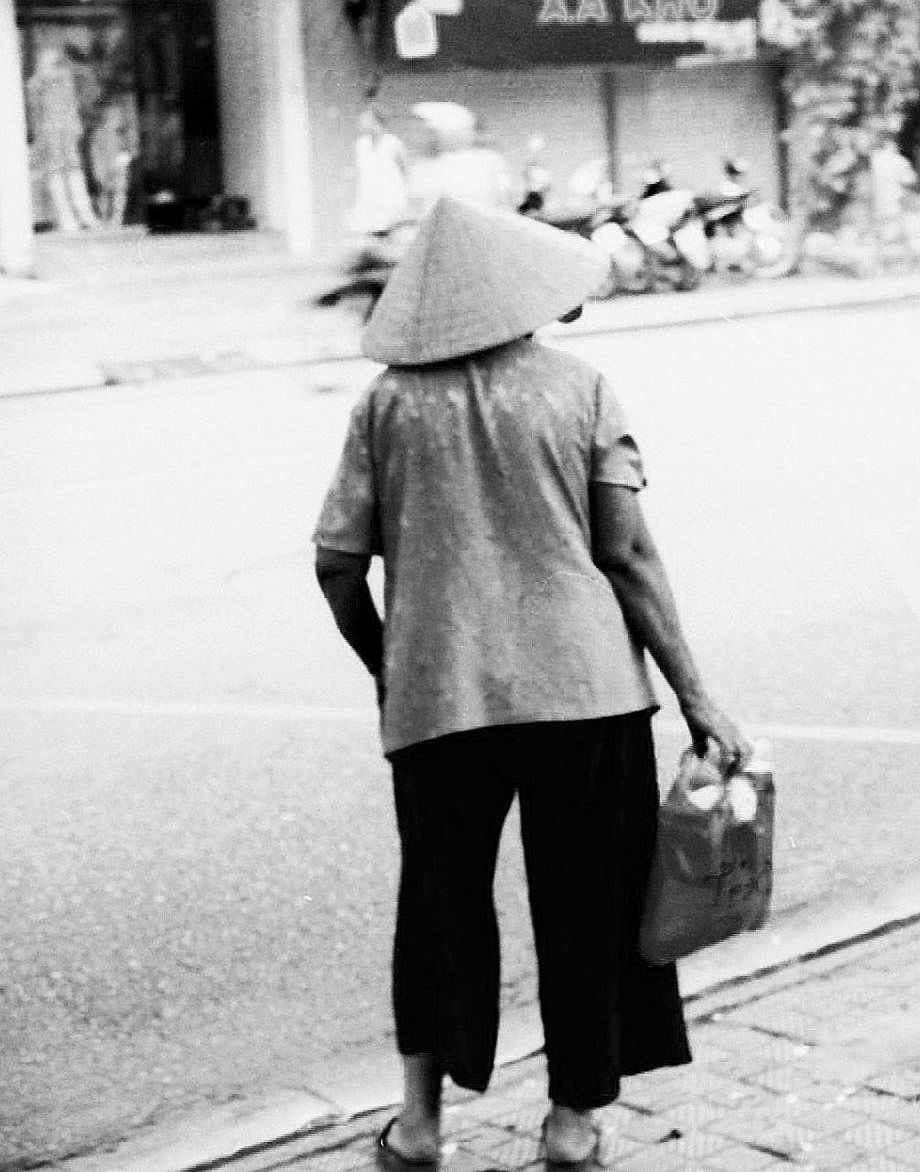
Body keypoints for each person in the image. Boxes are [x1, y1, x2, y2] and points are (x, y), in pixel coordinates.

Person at [313, 197, 749, 1167]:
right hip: (583, 695)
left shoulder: (383, 404)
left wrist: (388, 657)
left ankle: (420, 1125)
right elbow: (627, 555)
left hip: (438, 698)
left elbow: (335, 564)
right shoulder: (581, 390)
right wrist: (696, 696)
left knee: (435, 902)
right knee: (586, 903)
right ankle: (570, 1122)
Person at [26, 45, 98, 232]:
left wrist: (74, 126)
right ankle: (72, 218)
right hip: (51, 133)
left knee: (67, 172)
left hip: (60, 132)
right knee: (60, 173)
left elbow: (70, 106)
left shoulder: (58, 81)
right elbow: (36, 114)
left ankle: (80, 217)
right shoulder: (38, 84)